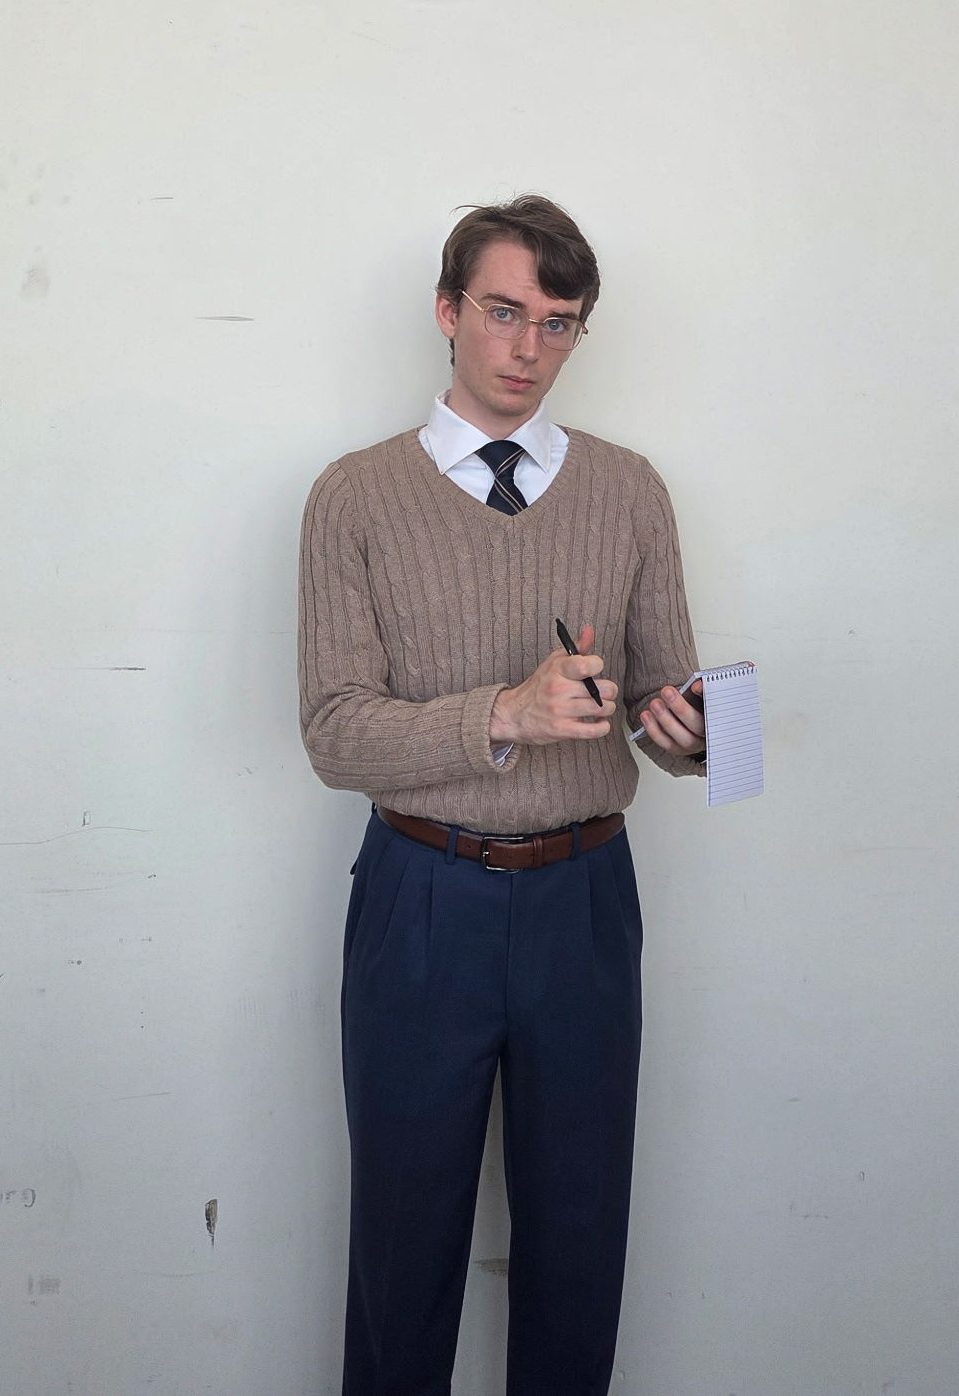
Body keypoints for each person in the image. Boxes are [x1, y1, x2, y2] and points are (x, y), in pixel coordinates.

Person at [297, 194, 707, 1396]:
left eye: (558, 323)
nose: (528, 348)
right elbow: (333, 733)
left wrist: (689, 732)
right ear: (447, 310)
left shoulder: (630, 491)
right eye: (503, 312)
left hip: (586, 897)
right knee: (404, 1242)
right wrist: (504, 715)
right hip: (420, 894)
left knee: (581, 1235)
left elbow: (664, 691)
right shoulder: (354, 497)